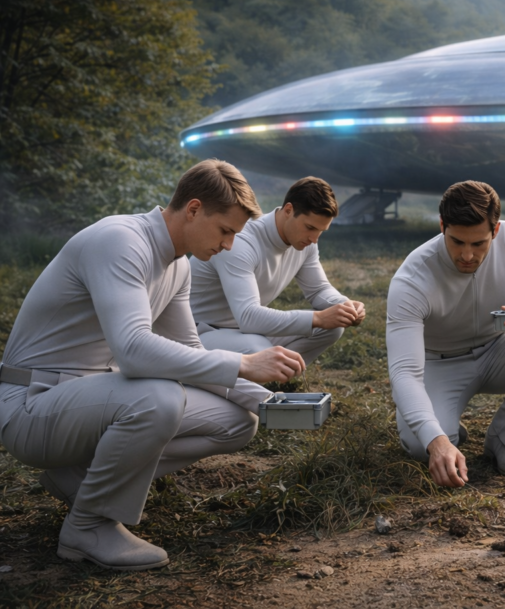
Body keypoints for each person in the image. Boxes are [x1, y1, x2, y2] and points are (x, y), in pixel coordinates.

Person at [0, 160, 305, 571]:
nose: (229, 245)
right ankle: (89, 526)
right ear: (193, 209)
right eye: (225, 231)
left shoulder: (177, 264)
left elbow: (188, 351)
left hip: (85, 402)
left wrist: (267, 402)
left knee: (236, 420)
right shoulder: (120, 241)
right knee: (158, 396)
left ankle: (83, 482)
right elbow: (133, 351)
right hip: (32, 407)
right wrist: (242, 362)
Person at [386, 181, 505, 486]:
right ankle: (447, 429)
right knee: (420, 447)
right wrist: (437, 441)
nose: (466, 255)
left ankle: (503, 441)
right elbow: (404, 373)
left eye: (479, 244)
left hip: (497, 351)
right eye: (457, 241)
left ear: (496, 230)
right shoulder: (412, 279)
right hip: (438, 364)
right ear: (442, 226)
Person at [189, 176, 365, 365]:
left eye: (321, 231)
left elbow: (319, 290)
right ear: (289, 210)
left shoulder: (306, 244)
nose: (314, 239)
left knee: (332, 327)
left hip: (246, 330)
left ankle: (276, 373)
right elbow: (248, 316)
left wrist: (343, 306)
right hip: (200, 331)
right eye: (310, 227)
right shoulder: (241, 242)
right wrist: (318, 317)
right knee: (259, 349)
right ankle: (261, 373)